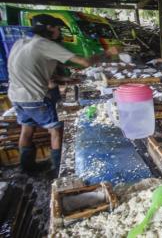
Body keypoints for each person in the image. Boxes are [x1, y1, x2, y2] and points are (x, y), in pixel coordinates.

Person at [7, 14, 119, 176]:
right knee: (56, 131)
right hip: (35, 97)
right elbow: (85, 62)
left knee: (27, 129)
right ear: (49, 28)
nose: (59, 32)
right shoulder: (44, 44)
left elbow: (31, 71)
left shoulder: (21, 43)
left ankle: (27, 168)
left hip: (17, 97)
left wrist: (65, 79)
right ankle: (57, 169)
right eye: (58, 28)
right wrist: (108, 52)